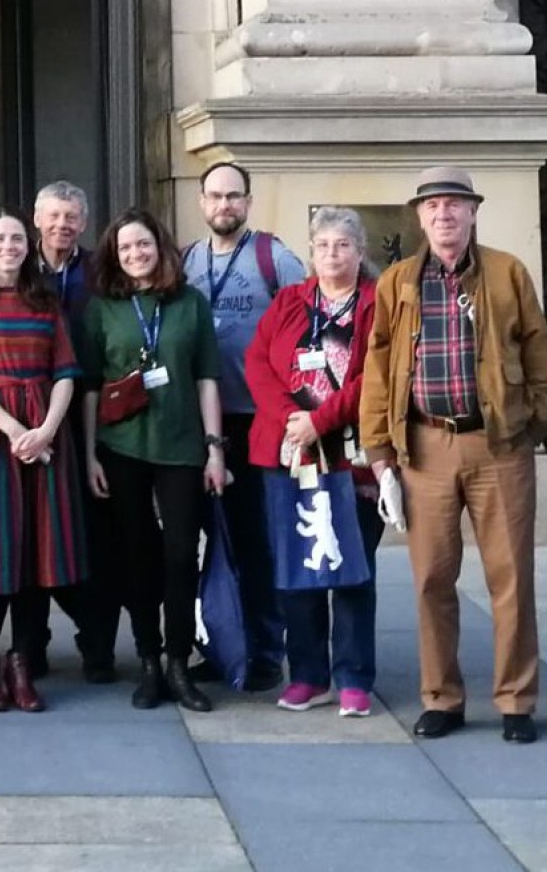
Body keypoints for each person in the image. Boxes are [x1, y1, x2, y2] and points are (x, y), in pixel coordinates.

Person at [361, 165, 547, 744]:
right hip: (425, 446)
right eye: (434, 206)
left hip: (499, 445)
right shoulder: (397, 281)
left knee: (510, 577)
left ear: (473, 212)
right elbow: (377, 364)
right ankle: (442, 697)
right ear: (420, 217)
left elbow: (538, 348)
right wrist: (379, 451)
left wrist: (536, 420)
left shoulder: (506, 272)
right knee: (431, 579)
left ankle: (516, 701)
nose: (444, 215)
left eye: (455, 205)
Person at [80, 208, 226, 712]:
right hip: (121, 448)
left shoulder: (190, 304)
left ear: (159, 247)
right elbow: (92, 388)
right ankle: (148, 660)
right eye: (124, 249)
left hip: (182, 446)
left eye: (142, 245)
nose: (135, 255)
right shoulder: (102, 309)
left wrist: (214, 448)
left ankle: (179, 663)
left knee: (181, 555)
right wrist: (88, 454)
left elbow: (207, 376)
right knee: (137, 556)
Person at [0, 208, 87, 712]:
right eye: (0, 237)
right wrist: (14, 429)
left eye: (17, 239)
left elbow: (67, 371)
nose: (9, 245)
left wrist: (46, 428)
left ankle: (23, 662)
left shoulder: (46, 301)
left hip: (46, 438)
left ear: (29, 247)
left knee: (37, 557)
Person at [245, 207, 383, 718]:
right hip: (288, 452)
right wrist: (290, 419)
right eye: (323, 245)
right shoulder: (289, 301)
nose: (332, 254)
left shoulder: (376, 304)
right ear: (310, 252)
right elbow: (257, 364)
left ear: (360, 251)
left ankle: (353, 676)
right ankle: (307, 674)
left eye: (343, 245)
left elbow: (377, 375)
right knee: (297, 568)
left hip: (351, 457)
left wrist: (320, 420)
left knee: (353, 569)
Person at [182, 161, 305, 691]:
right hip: (200, 421)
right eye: (215, 196)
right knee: (212, 542)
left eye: (234, 196)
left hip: (259, 422)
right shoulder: (186, 261)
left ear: (248, 202)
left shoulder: (274, 259)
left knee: (258, 540)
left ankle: (265, 651)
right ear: (202, 202)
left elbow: (308, 333)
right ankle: (220, 643)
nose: (224, 205)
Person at [29, 180, 120, 682]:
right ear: (36, 219)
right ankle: (33, 646)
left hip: (91, 415)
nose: (62, 225)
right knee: (34, 535)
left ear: (84, 224)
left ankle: (98, 645)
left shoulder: (100, 273)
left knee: (95, 540)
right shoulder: (16, 269)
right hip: (29, 416)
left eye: (71, 217)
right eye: (53, 216)